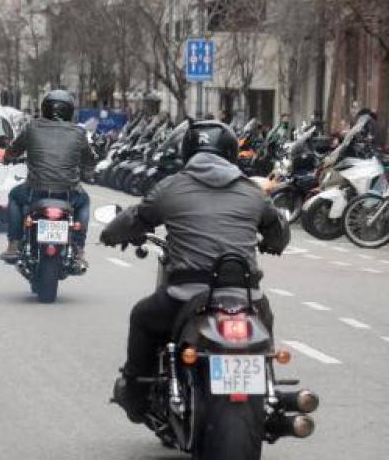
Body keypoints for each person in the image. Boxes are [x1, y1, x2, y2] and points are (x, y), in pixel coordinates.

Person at [100, 120, 290, 422]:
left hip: (183, 295)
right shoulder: (252, 192)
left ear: (187, 150)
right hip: (246, 295)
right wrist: (273, 243)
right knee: (264, 325)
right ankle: (267, 387)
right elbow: (278, 230)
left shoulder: (171, 187)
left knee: (142, 316)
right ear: (230, 153)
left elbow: (136, 218)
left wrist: (111, 235)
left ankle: (135, 394)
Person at [0, 89, 96, 266]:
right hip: (68, 192)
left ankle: (13, 243)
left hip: (36, 191)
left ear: (45, 108)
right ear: (70, 110)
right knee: (84, 202)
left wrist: (7, 158)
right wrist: (89, 169)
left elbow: (13, 151)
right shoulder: (78, 133)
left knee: (14, 196)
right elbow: (89, 159)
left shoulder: (32, 127)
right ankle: (78, 248)